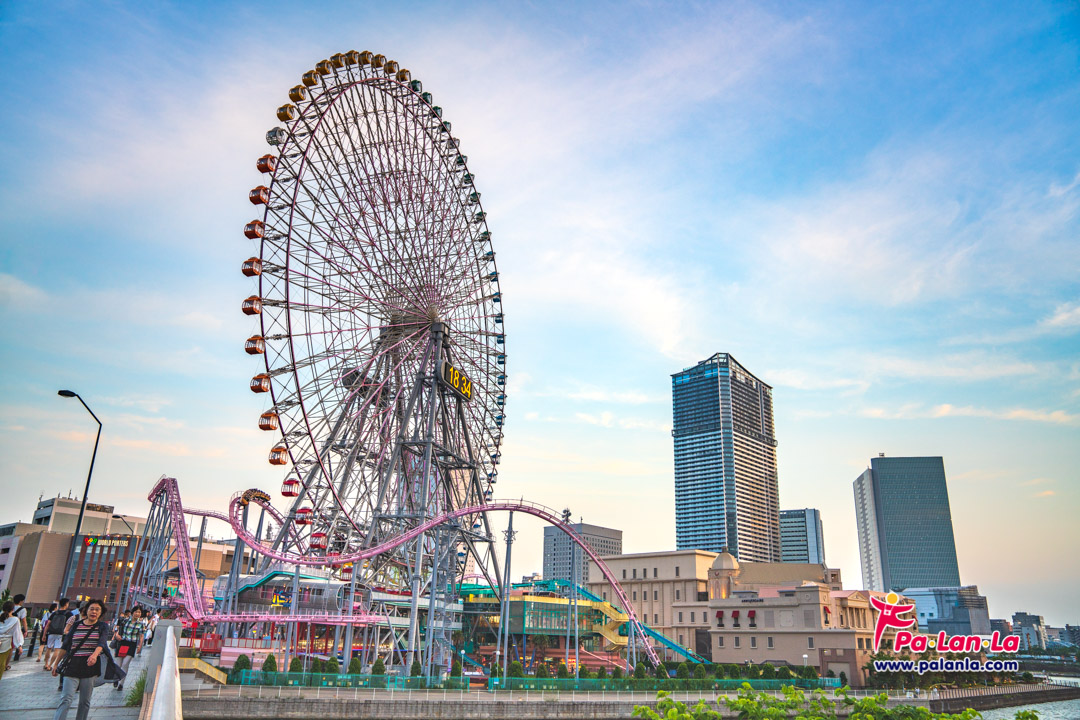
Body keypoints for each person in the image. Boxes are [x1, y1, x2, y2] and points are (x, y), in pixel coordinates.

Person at [52, 599, 123, 720]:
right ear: (86, 610)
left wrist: (94, 655)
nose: (94, 612)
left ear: (101, 613)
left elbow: (102, 643)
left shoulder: (102, 626)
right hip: (72, 664)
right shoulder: (76, 625)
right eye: (91, 609)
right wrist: (55, 664)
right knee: (66, 699)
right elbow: (65, 645)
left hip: (90, 666)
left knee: (84, 701)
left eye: (97, 610)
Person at [111, 607, 146, 691]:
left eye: (139, 612)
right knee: (118, 664)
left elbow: (141, 636)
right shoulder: (125, 620)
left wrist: (140, 646)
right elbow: (117, 629)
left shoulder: (141, 624)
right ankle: (116, 679)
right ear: (132, 612)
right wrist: (117, 635)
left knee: (125, 664)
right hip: (122, 643)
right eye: (136, 612)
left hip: (132, 644)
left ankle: (121, 684)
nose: (137, 614)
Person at [0, 601, 25, 680]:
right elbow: (17, 633)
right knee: (1, 664)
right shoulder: (15, 620)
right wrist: (19, 645)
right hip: (5, 644)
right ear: (13, 609)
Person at [11, 594, 28, 662]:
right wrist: (26, 630)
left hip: (6, 627)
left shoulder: (9, 607)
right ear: (20, 601)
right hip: (15, 629)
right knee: (11, 646)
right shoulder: (22, 609)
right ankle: (6, 664)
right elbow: (24, 621)